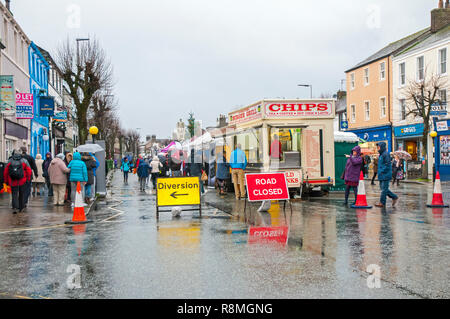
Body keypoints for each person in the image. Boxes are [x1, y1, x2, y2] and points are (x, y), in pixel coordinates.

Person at [3, 149, 32, 214]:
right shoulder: (24, 161)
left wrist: (5, 180)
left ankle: (15, 207)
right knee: (22, 194)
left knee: (14, 194)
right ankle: (21, 208)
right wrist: (28, 179)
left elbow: (5, 171)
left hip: (13, 181)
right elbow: (29, 171)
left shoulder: (10, 161)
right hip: (22, 180)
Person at [375, 142, 398, 208]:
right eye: (377, 147)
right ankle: (394, 197)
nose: (377, 148)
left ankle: (382, 202)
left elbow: (387, 165)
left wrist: (382, 171)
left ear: (382, 147)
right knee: (383, 189)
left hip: (385, 174)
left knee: (383, 189)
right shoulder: (381, 155)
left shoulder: (386, 154)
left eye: (378, 147)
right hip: (381, 175)